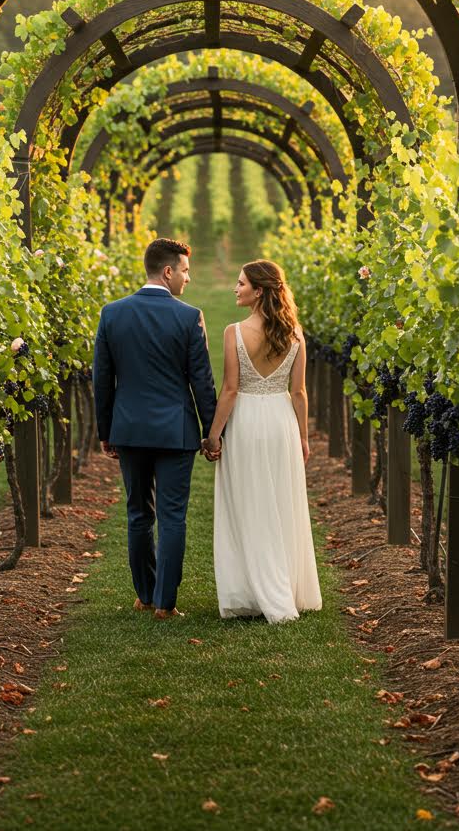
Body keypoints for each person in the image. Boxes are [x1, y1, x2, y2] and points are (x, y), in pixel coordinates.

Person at [92, 237, 217, 620]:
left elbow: (102, 379)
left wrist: (105, 430)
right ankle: (165, 603)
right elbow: (202, 381)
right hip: (175, 430)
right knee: (173, 516)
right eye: (184, 271)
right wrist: (212, 432)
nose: (188, 279)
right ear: (167, 272)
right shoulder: (188, 316)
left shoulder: (112, 314)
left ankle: (144, 595)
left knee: (137, 514)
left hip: (129, 429)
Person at [206, 260, 322, 623]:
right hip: (281, 421)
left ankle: (257, 592)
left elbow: (229, 390)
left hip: (246, 423)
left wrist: (212, 436)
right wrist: (302, 436)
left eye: (241, 284)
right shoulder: (296, 333)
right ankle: (282, 588)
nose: (235, 289)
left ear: (259, 291)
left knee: (248, 502)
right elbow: (299, 392)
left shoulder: (234, 332)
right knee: (281, 502)